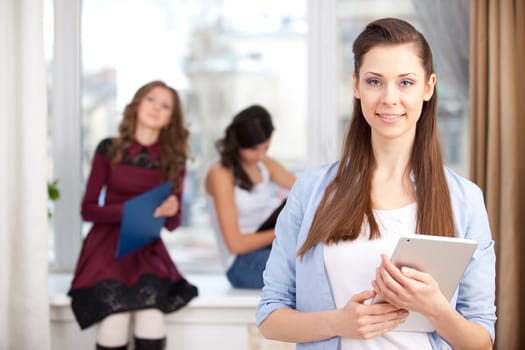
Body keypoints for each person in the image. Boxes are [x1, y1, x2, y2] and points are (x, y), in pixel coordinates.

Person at [256, 18, 496, 350]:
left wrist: (437, 310)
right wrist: (338, 322)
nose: (389, 98)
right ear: (356, 85)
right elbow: (270, 316)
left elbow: (481, 340)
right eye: (374, 81)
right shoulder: (311, 191)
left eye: (406, 82)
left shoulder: (465, 199)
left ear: (428, 87)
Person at [68, 80, 198, 350]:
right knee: (114, 322)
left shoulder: (174, 159)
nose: (156, 108)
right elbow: (88, 209)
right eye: (151, 100)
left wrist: (172, 209)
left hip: (146, 251)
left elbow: (172, 224)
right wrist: (129, 210)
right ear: (138, 103)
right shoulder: (108, 149)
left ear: (170, 118)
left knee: (151, 320)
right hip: (106, 249)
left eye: (165, 106)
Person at [205, 105, 296, 289]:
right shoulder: (221, 174)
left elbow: (306, 189)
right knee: (308, 269)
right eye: (254, 149)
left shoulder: (264, 163)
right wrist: (282, 233)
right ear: (239, 143)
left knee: (318, 257)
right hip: (240, 263)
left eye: (266, 148)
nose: (260, 155)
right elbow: (236, 244)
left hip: (267, 249)